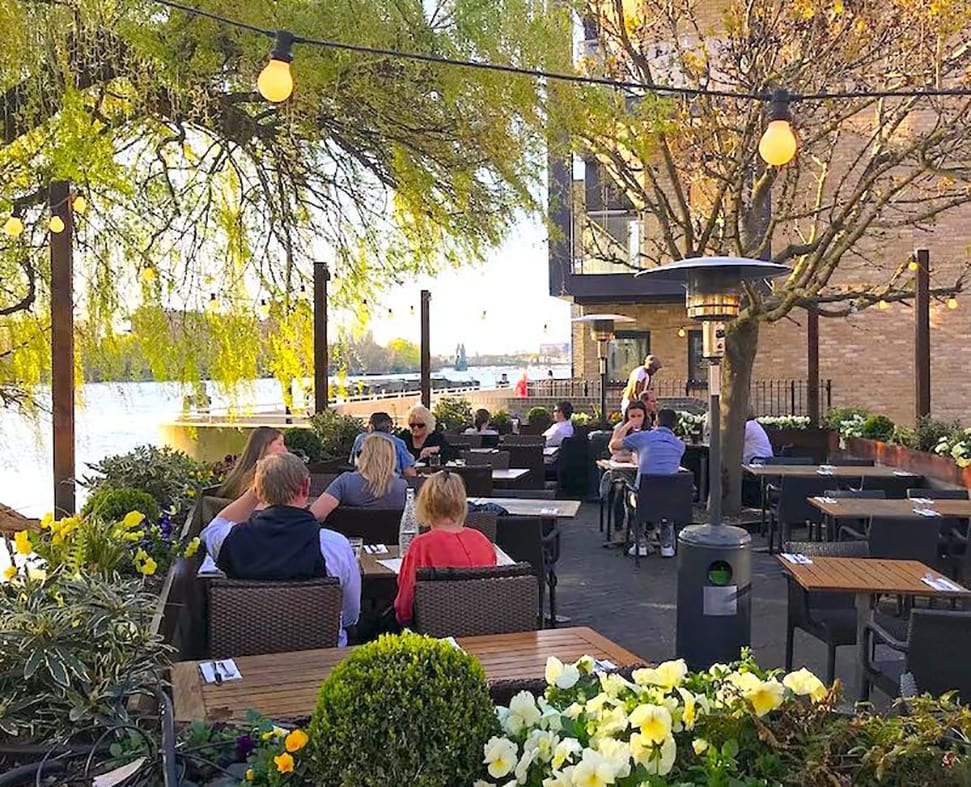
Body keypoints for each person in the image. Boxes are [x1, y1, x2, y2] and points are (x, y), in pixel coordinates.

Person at [200, 453, 360, 645]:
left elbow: (212, 529)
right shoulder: (334, 545)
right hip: (319, 653)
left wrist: (255, 492)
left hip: (246, 651)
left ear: (258, 491)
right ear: (306, 486)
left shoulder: (229, 540)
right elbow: (350, 615)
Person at [393, 470, 496, 625]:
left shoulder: (421, 546)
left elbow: (404, 607)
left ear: (426, 504)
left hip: (433, 630)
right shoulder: (482, 541)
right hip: (483, 626)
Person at [609, 408, 685, 558]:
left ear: (656, 422)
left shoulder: (643, 437)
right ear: (675, 426)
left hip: (644, 497)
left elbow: (614, 445)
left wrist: (627, 425)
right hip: (668, 498)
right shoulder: (680, 445)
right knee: (668, 500)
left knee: (630, 496)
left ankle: (640, 543)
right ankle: (666, 545)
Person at [310, 436, 407, 521]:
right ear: (391, 458)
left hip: (347, 536)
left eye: (360, 452)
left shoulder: (345, 482)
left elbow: (316, 514)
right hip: (390, 537)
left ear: (365, 456)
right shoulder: (402, 487)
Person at [218, 426, 287, 499]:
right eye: (280, 444)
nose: (285, 450)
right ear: (264, 447)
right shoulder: (259, 482)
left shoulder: (237, 477)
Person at [349, 411, 416, 477]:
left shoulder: (360, 439)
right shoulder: (397, 443)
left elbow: (353, 463)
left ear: (371, 426)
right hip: (390, 482)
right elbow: (409, 472)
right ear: (389, 427)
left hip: (361, 480)